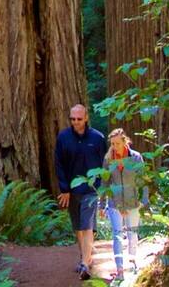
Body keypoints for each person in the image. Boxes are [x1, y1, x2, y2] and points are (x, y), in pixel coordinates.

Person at [54, 104, 107, 280]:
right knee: (78, 227)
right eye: (72, 119)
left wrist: (101, 187)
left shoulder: (98, 138)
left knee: (87, 226)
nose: (75, 122)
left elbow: (103, 165)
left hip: (91, 190)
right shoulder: (63, 137)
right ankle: (85, 256)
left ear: (86, 118)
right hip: (72, 189)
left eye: (79, 119)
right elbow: (59, 164)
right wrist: (64, 189)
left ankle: (85, 263)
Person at [101, 129, 148, 280]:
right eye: (112, 144)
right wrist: (102, 205)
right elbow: (105, 182)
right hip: (115, 203)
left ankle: (133, 261)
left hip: (133, 202)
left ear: (125, 141)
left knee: (133, 233)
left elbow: (142, 180)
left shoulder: (136, 157)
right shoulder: (108, 159)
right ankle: (120, 268)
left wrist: (145, 200)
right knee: (117, 234)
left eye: (117, 143)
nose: (115, 146)